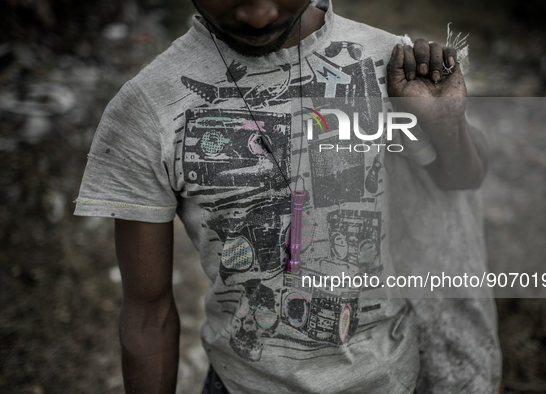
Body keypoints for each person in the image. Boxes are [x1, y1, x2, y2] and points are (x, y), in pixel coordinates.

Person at [74, 0, 501, 392]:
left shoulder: (385, 63)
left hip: (390, 379)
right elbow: (149, 314)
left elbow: (463, 178)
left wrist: (445, 124)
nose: (259, 14)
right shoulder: (147, 108)